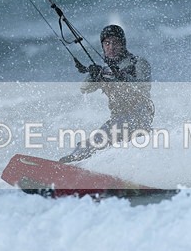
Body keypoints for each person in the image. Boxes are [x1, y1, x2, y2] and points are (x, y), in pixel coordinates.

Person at [59, 24, 154, 163]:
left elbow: (143, 88)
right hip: (118, 119)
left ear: (123, 44)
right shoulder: (105, 70)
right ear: (103, 46)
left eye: (116, 42)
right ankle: (78, 166)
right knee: (94, 145)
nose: (111, 47)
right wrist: (93, 74)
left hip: (138, 117)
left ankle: (74, 162)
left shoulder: (138, 63)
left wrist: (122, 77)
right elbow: (84, 89)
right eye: (107, 43)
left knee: (97, 141)